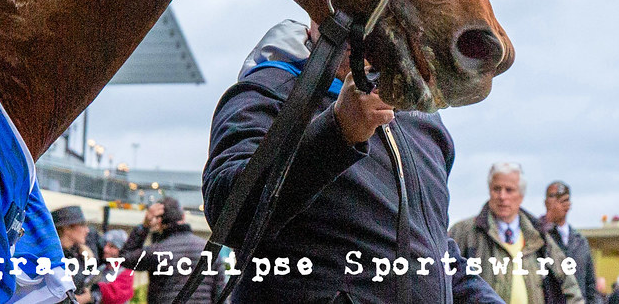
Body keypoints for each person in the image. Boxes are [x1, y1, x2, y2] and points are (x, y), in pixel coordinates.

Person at [203, 19, 505, 303]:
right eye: (343, 5)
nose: (357, 24)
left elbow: (433, 252)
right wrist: (337, 133)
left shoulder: (423, 120)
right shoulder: (268, 91)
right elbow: (227, 213)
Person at [450, 162, 584, 303]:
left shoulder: (539, 237)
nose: (502, 196)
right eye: (497, 189)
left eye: (509, 190)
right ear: (489, 191)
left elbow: (570, 286)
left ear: (521, 195)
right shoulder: (464, 233)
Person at [116, 197, 223, 303]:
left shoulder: (156, 251)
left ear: (159, 221)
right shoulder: (209, 250)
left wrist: (144, 226)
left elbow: (125, 258)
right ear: (183, 216)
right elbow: (220, 294)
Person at [541, 181, 600, 303]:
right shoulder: (538, 236)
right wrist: (548, 221)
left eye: (562, 199)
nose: (556, 203)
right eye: (552, 196)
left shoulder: (580, 241)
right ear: (545, 202)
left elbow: (590, 286)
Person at [53, 205, 96, 304]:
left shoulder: (82, 254)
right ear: (67, 228)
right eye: (83, 225)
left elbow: (88, 283)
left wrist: (89, 297)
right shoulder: (53, 257)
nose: (87, 230)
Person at [93, 229, 135, 304]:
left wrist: (92, 294)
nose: (105, 249)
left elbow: (114, 295)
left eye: (112, 246)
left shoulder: (126, 271)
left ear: (121, 250)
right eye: (105, 245)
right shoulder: (102, 268)